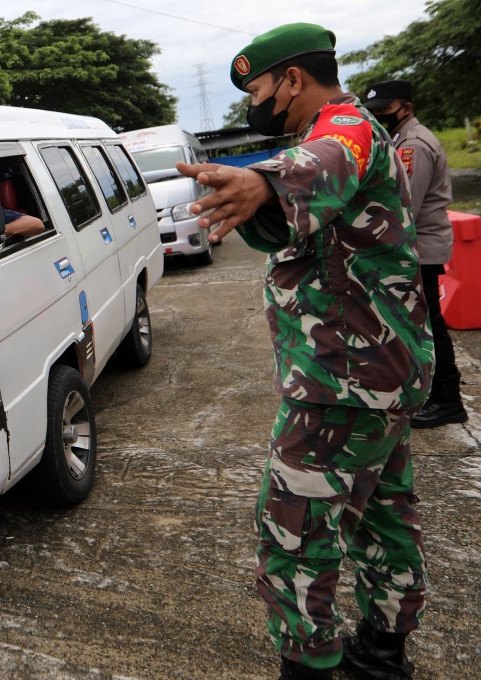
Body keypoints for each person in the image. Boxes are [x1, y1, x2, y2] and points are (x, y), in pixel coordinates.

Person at [175, 23, 433, 680]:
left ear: (292, 80)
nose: (253, 104)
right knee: (381, 516)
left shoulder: (344, 126)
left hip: (342, 380)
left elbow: (321, 162)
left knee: (292, 533)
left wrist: (263, 180)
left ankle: (311, 666)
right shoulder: (348, 130)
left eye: (257, 89)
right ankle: (382, 656)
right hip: (379, 375)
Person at [364, 80, 466, 429]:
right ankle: (432, 392)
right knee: (418, 322)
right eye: (373, 112)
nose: (378, 117)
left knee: (430, 324)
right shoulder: (400, 139)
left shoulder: (414, 145)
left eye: (384, 112)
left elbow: (404, 203)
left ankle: (448, 399)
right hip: (415, 245)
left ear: (405, 108)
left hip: (420, 247)